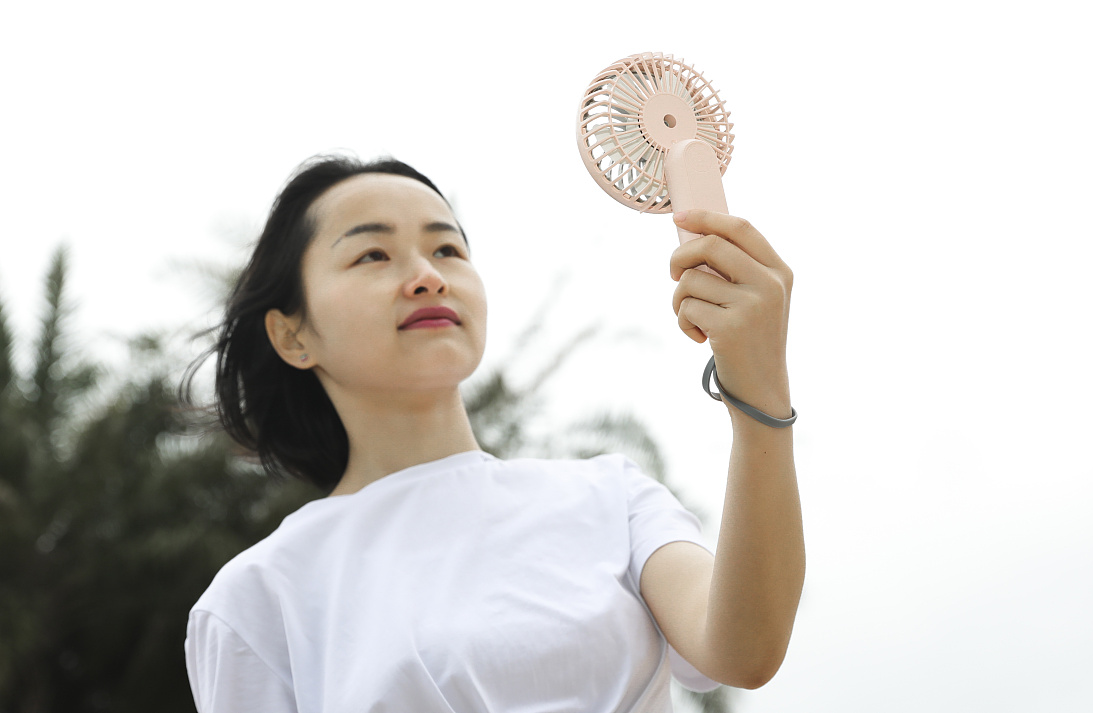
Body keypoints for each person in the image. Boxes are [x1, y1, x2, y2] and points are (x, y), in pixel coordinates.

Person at [182, 154, 805, 712]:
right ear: (292, 334)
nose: (427, 276)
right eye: (373, 254)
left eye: (447, 250)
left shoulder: (612, 498)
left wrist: (760, 387)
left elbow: (743, 650)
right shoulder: (256, 597)